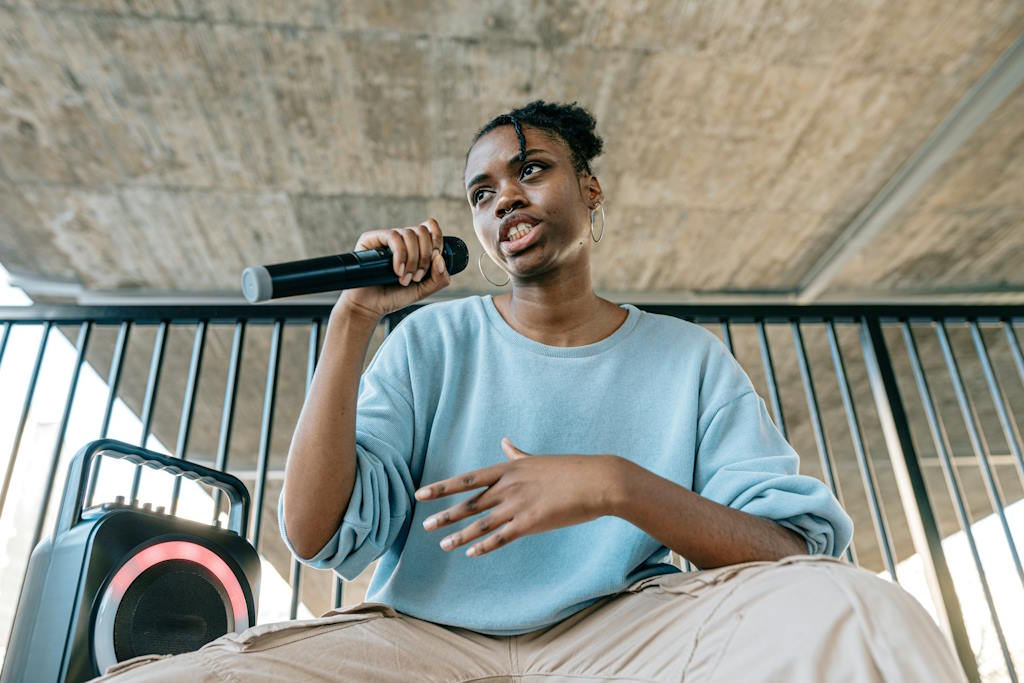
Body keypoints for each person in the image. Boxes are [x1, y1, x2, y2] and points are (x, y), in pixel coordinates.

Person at [93, 101, 967, 682]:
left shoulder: (687, 358)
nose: (506, 196)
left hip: (620, 639)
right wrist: (353, 322)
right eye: (483, 190)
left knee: (856, 605)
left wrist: (612, 485)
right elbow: (315, 532)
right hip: (425, 640)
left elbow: (791, 555)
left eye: (531, 169)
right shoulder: (432, 339)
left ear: (589, 187)